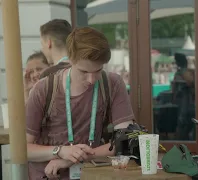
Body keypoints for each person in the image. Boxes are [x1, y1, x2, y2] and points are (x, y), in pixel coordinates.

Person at [26, 27, 134, 179]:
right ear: (70, 59)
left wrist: (72, 159)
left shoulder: (112, 83)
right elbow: (23, 149)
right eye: (84, 72)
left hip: (90, 174)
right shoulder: (44, 89)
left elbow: (126, 140)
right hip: (47, 175)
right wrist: (61, 151)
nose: (91, 80)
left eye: (98, 70)